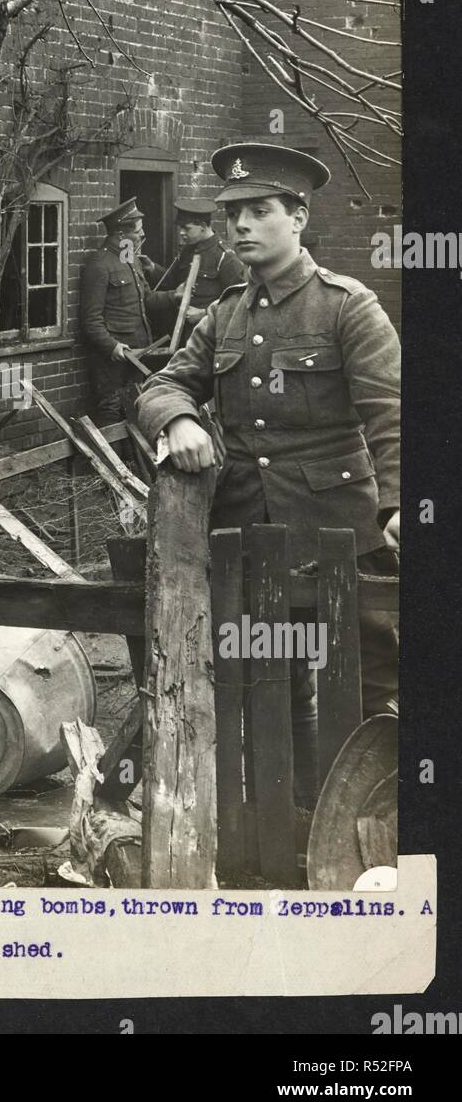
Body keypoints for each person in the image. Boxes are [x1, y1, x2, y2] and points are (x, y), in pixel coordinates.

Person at [136, 142, 400, 807]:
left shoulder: (347, 306)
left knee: (367, 685)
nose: (242, 227)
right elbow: (162, 383)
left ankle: (368, 825)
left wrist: (399, 509)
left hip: (341, 533)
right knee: (271, 683)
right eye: (234, 216)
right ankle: (296, 816)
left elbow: (391, 415)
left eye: (259, 211)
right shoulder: (225, 313)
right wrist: (178, 420)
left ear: (299, 217)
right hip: (249, 531)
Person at [79, 198, 180, 424]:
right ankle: (110, 459)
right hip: (114, 356)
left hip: (139, 349)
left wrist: (175, 296)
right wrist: (112, 346)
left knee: (136, 402)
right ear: (122, 235)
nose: (141, 238)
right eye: (139, 234)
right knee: (111, 406)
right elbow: (91, 320)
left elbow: (146, 299)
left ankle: (132, 460)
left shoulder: (130, 259)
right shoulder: (99, 265)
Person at [154, 196, 244, 344]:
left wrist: (204, 313)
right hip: (181, 336)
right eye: (180, 227)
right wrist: (151, 268)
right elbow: (170, 281)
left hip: (208, 337)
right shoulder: (187, 252)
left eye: (186, 228)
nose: (181, 233)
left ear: (202, 225)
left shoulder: (225, 258)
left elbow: (238, 303)